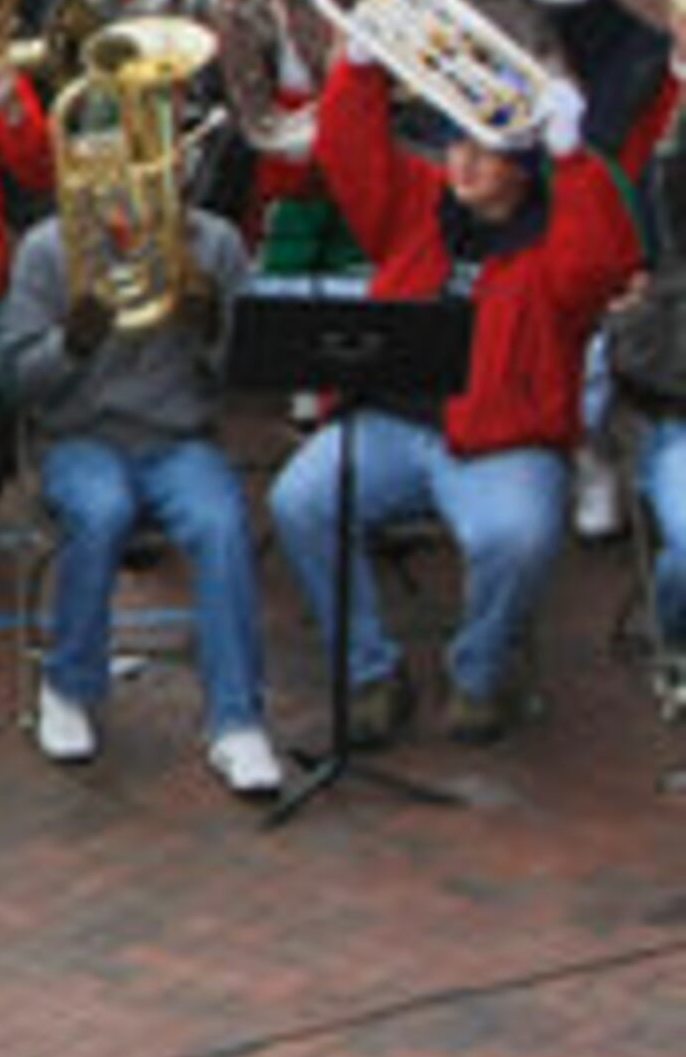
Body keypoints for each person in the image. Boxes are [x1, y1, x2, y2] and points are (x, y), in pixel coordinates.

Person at [268, 46, 634, 745]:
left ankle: (479, 674)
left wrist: (574, 155)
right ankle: (369, 670)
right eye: (454, 140)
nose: (459, 160)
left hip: (504, 439)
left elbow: (602, 264)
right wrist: (358, 66)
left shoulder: (555, 236)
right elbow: (349, 154)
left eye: (483, 149)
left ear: (522, 167)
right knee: (299, 500)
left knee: (518, 537)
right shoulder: (418, 201)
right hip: (390, 423)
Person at [2, 167, 282, 797]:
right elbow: (18, 381)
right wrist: (69, 345)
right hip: (80, 438)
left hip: (178, 439)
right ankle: (70, 685)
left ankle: (236, 719)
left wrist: (212, 330)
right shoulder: (50, 247)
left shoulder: (214, 245)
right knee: (101, 511)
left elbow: (252, 371)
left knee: (221, 522)